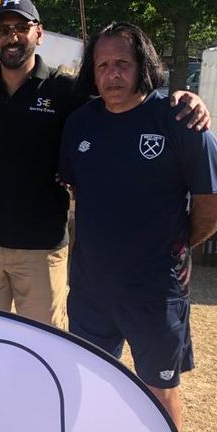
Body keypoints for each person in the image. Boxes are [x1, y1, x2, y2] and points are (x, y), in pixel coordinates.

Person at [0, 0, 210, 327]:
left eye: (21, 28)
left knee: (44, 346)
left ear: (39, 34)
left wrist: (185, 99)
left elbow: (124, 104)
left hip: (42, 249)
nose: (12, 37)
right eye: (3, 30)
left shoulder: (66, 89)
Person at [60, 23, 217, 429]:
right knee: (91, 381)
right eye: (103, 65)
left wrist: (180, 243)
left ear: (144, 65)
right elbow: (78, 192)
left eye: (123, 64)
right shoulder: (80, 123)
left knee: (159, 390)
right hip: (91, 288)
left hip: (155, 290)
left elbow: (210, 203)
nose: (113, 73)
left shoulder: (179, 117)